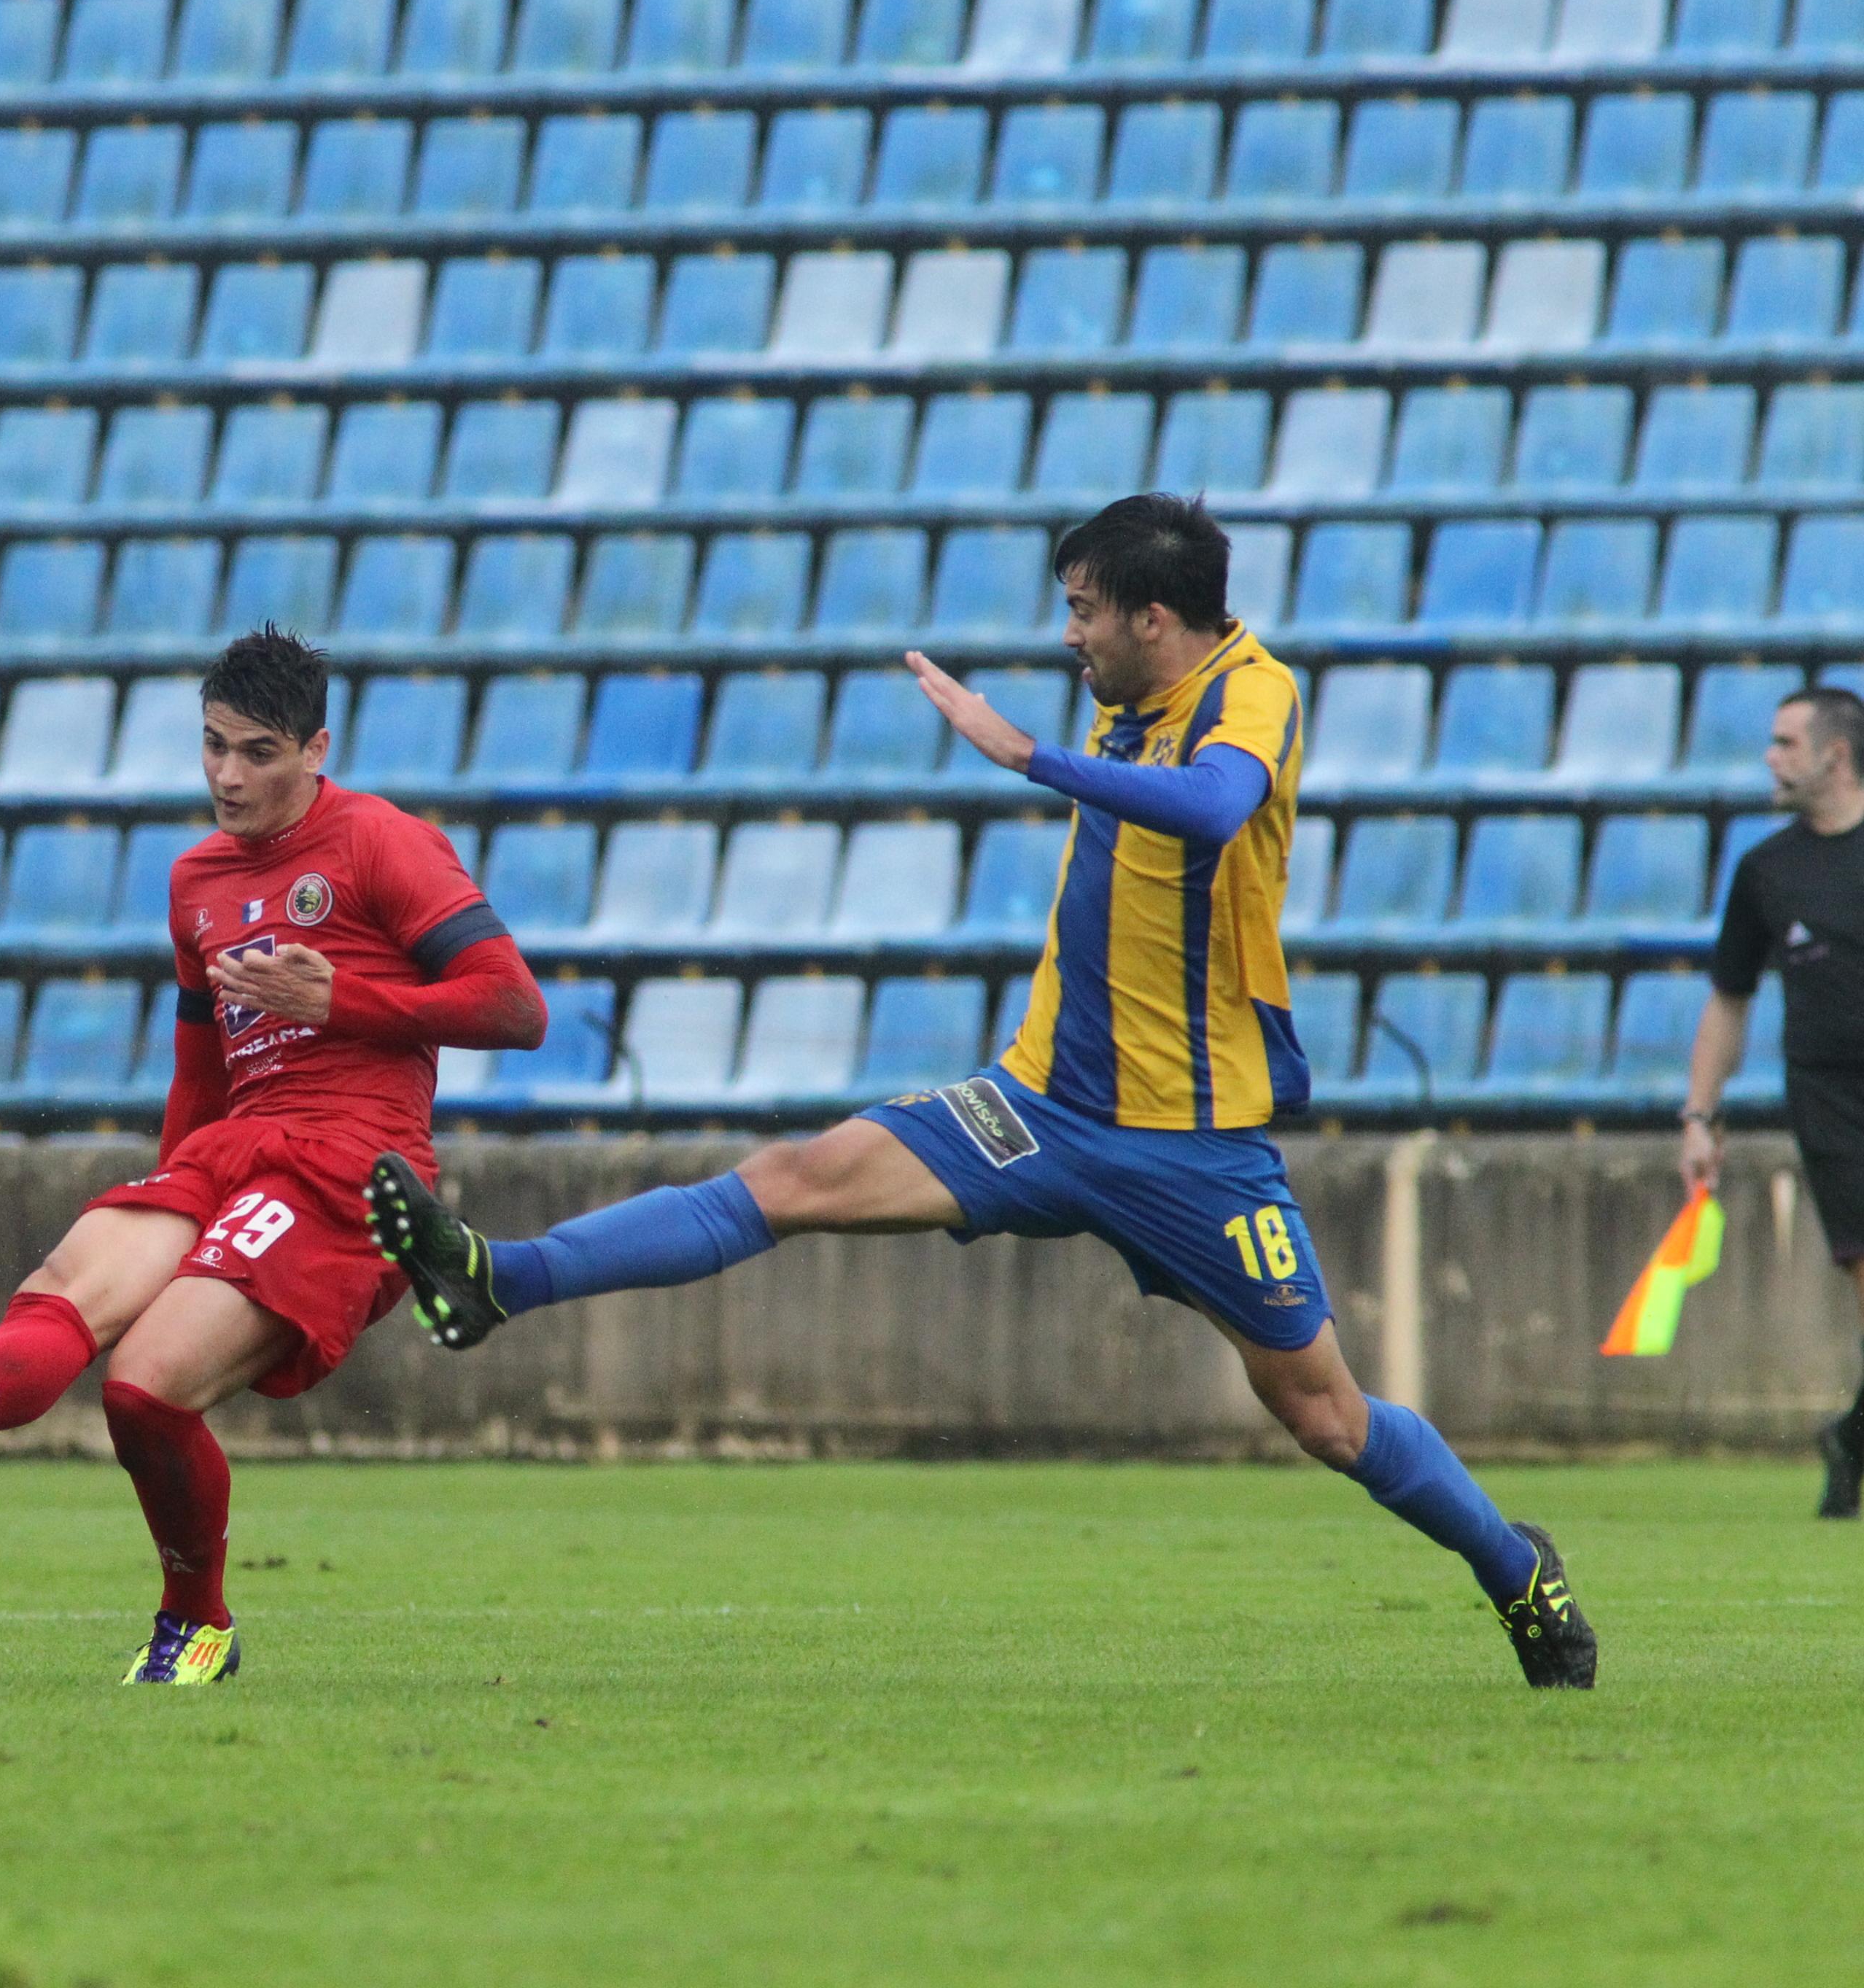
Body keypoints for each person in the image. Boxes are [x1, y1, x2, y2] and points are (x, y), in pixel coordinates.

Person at [364, 492, 1599, 1692]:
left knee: (1326, 1417)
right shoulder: (1135, 697)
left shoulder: (1251, 693)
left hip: (1194, 1148)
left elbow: (1221, 806)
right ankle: (500, 1278)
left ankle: (1516, 1572)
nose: (1069, 636)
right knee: (792, 1179)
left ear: (1155, 618)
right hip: (1042, 1109)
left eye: (1084, 612)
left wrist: (1029, 755)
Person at [0, 625, 547, 1682]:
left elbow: (518, 1008)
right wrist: (169, 1201)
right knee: (62, 1294)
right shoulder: (195, 879)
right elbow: (200, 1072)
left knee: (144, 1390)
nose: (226, 775)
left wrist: (345, 998)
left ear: (316, 750)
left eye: (256, 753)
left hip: (351, 1165)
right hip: (229, 1149)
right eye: (211, 745)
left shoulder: (383, 843)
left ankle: (196, 1620)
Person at [1679, 685, 1864, 1519]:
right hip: (1832, 1100)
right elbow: (1729, 999)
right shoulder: (1767, 871)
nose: (1770, 756)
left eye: (1786, 742)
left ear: (1835, 755)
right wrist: (1698, 1114)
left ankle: (1854, 1434)